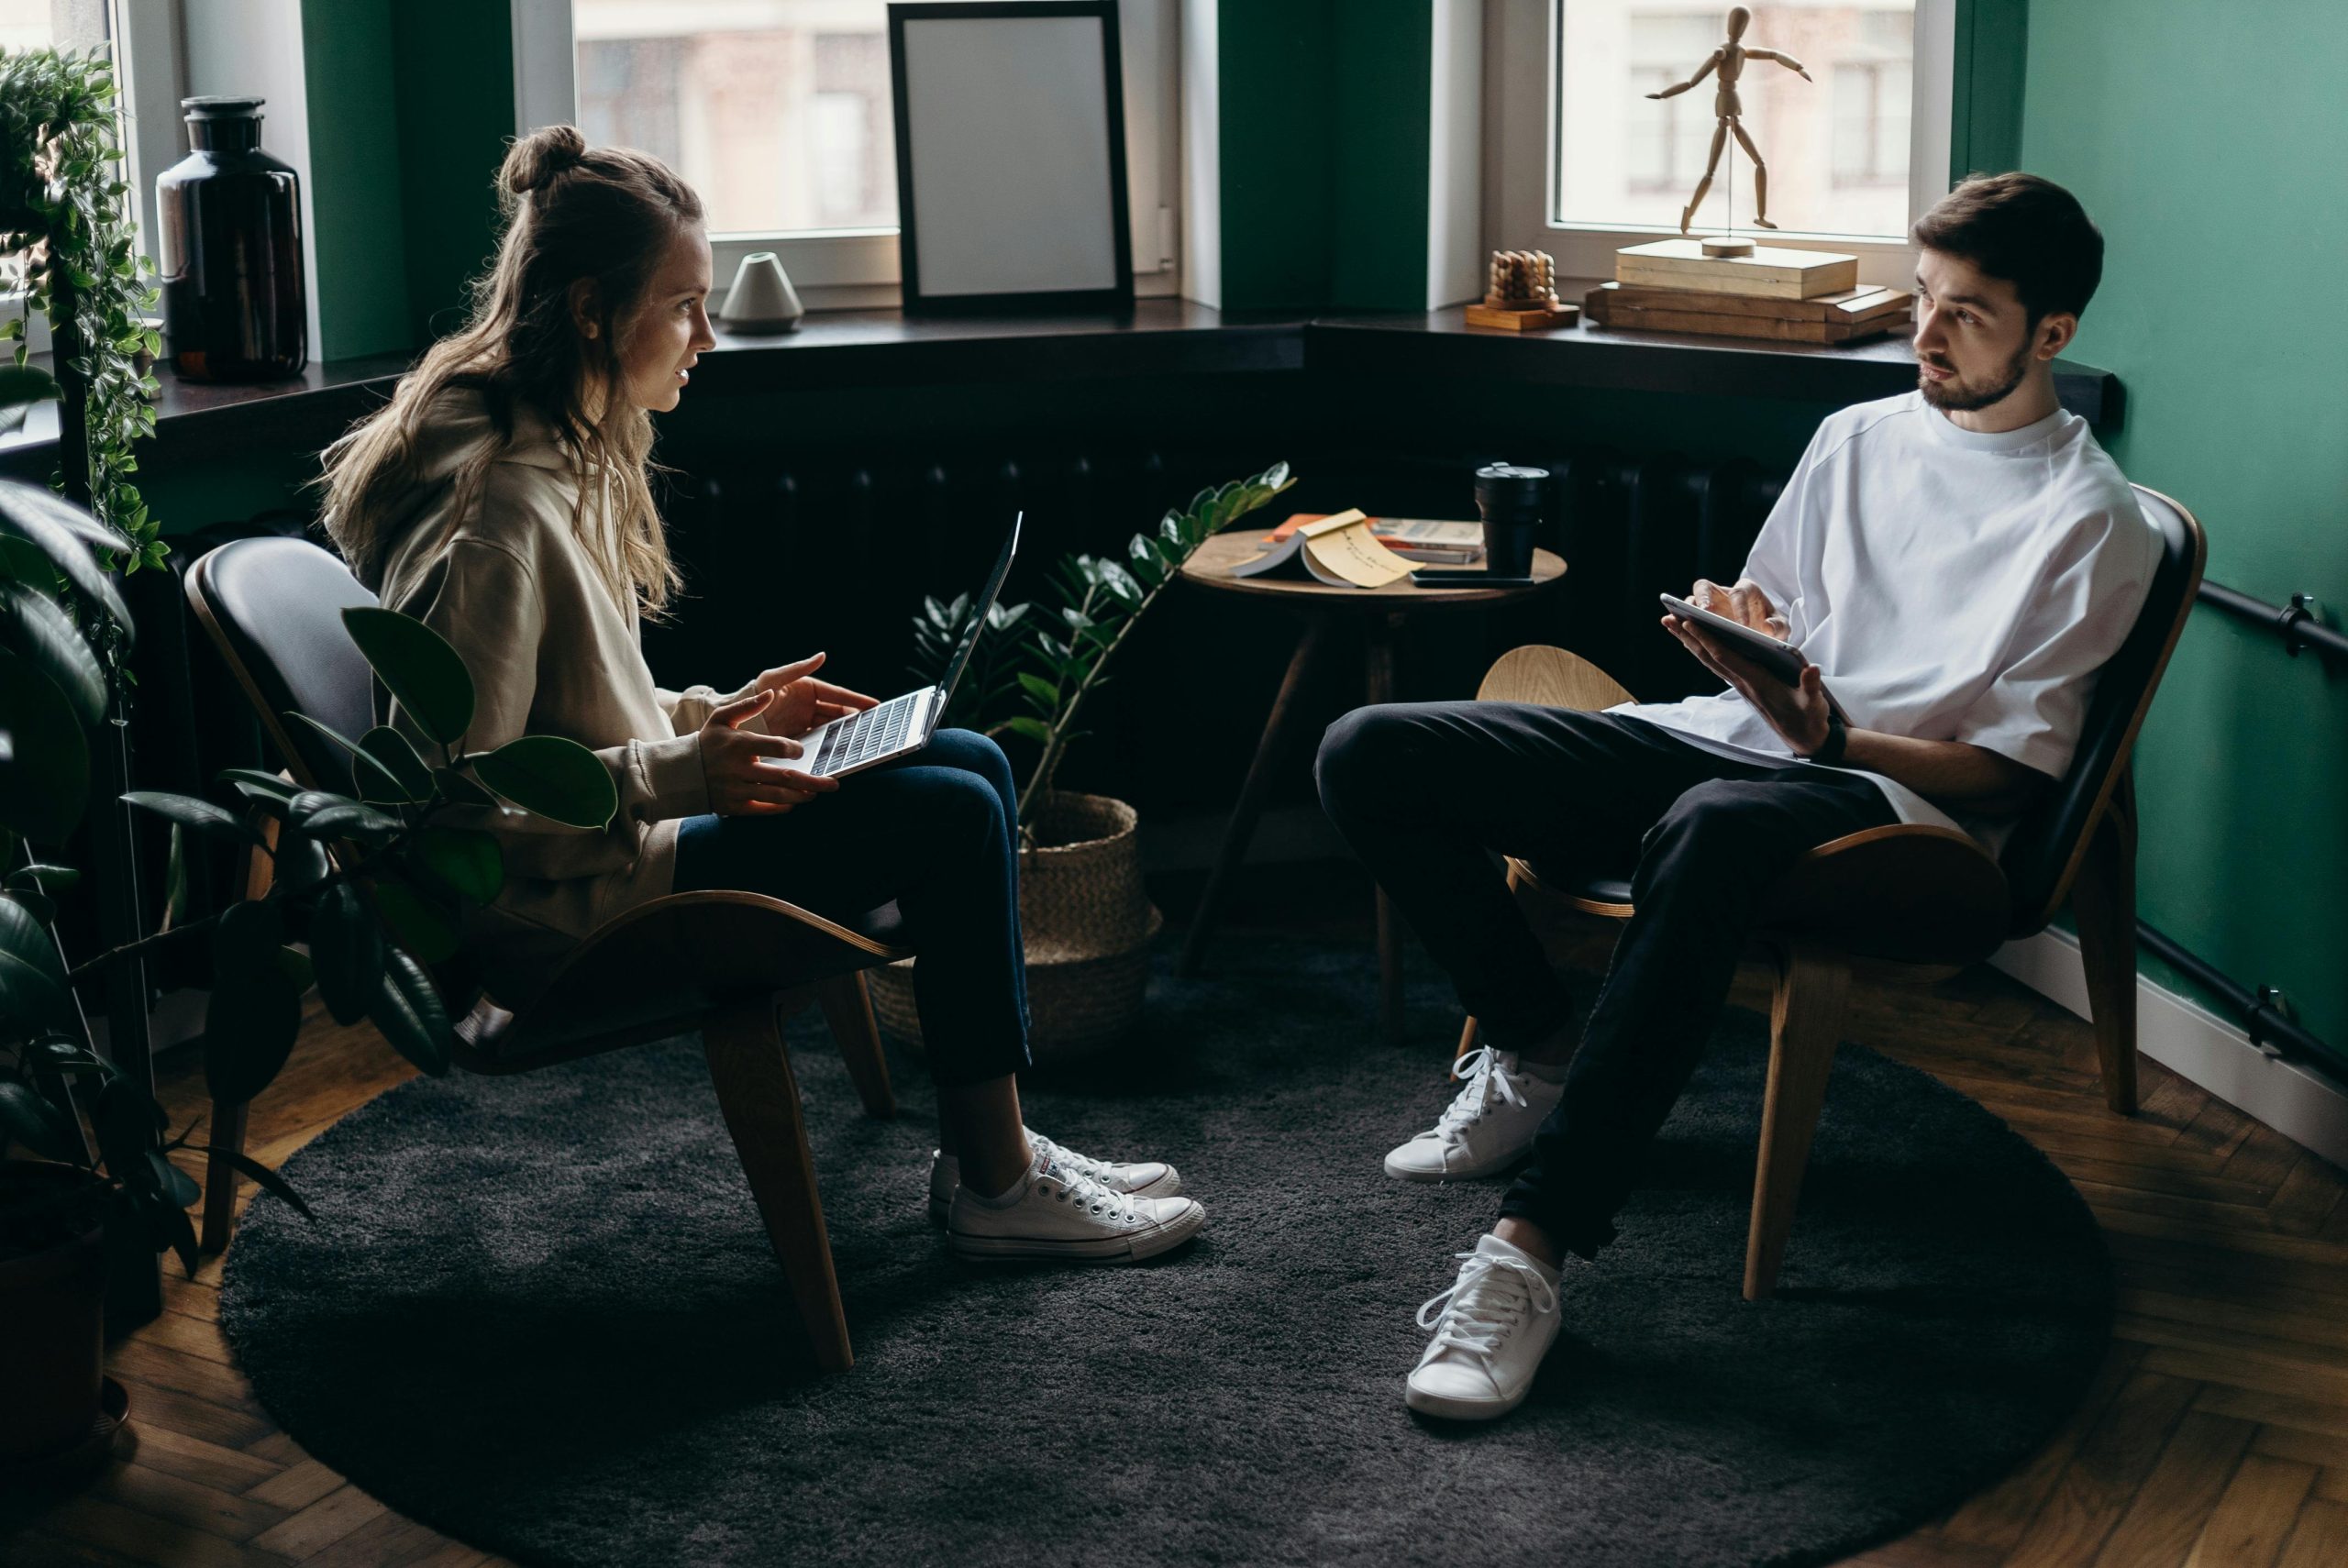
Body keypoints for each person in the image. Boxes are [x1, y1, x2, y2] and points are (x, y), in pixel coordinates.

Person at [1315, 172, 2158, 1419]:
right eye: (1923, 299)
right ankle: (1540, 1044)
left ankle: (1530, 1251)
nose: (1925, 335)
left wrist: (1839, 733)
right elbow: (1783, 612)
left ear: (2054, 336)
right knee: (1368, 749)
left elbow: (2006, 773)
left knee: (1705, 828)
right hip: (1741, 740)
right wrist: (1741, 637)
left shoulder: (2093, 520)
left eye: (1966, 314)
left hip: (1897, 809)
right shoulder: (1857, 437)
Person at [319, 126, 1204, 1264]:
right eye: (683, 304)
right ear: (592, 309)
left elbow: (575, 710)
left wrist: (716, 717)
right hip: (570, 918)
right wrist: (686, 772)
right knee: (954, 811)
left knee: (971, 760)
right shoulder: (500, 514)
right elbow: (451, 810)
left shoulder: (555, 443)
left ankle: (1002, 1149)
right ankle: (995, 1179)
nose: (707, 333)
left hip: (622, 851)